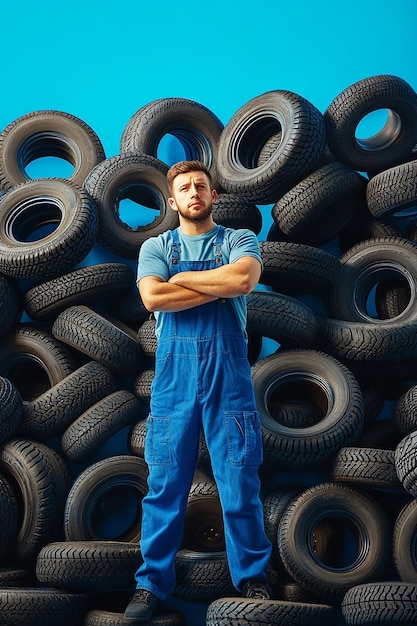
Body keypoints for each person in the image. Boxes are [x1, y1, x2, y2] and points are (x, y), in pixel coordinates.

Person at [124, 160, 272, 622]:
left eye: (201, 186)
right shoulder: (156, 245)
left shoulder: (237, 240)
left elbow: (243, 279)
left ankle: (251, 577)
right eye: (185, 188)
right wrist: (216, 283)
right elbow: (152, 298)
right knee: (165, 483)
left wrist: (180, 281)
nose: (193, 192)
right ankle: (151, 585)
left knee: (239, 480)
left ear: (212, 196)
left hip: (229, 374)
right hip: (174, 378)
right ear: (173, 201)